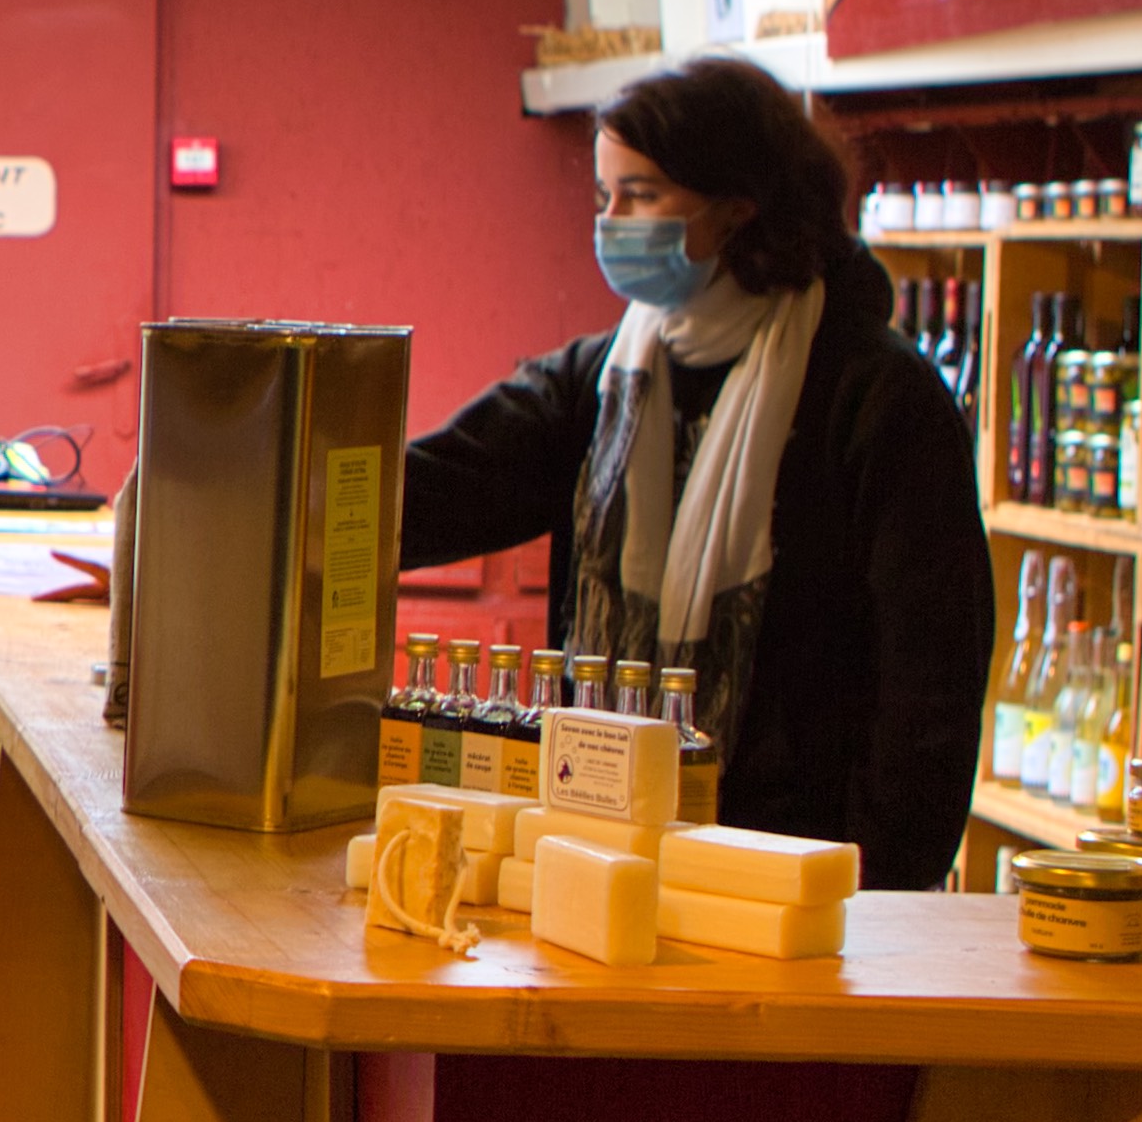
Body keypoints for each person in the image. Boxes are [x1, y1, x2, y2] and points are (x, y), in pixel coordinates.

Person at [401, 54, 993, 889]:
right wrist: (276, 501)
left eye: (639, 196)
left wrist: (880, 894)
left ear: (738, 208)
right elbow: (440, 489)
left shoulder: (878, 398)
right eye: (605, 197)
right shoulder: (606, 381)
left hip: (801, 887)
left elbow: (930, 688)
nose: (612, 222)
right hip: (602, 861)